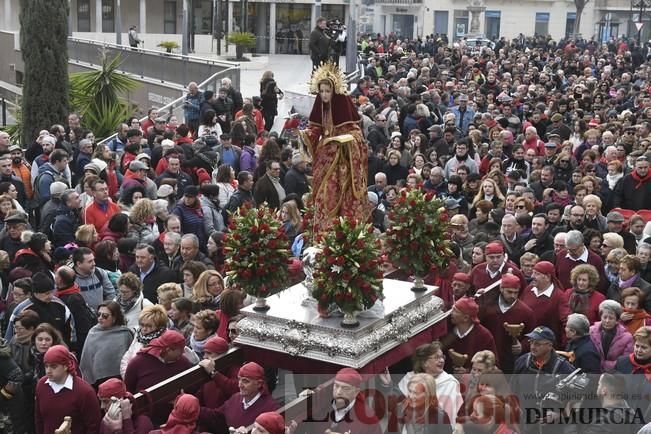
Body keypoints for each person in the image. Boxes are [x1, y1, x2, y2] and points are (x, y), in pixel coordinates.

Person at [297, 62, 370, 234]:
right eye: (321, 91)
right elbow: (315, 129)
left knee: (343, 194)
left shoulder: (343, 107)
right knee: (324, 194)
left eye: (327, 91)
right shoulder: (320, 108)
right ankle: (323, 231)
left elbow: (357, 134)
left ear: (334, 91)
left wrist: (345, 141)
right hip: (325, 157)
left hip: (344, 161)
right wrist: (304, 135)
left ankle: (345, 230)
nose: (324, 95)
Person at [34, 345, 102, 434]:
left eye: (53, 367)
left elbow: (93, 426)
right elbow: (39, 420)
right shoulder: (42, 385)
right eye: (46, 366)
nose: (48, 371)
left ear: (65, 366)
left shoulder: (84, 391)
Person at [198, 362, 280, 433]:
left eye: (245, 381)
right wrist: (193, 408)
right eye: (239, 380)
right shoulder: (235, 398)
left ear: (259, 384)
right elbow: (216, 417)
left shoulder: (272, 408)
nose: (240, 385)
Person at [479, 274, 535, 373]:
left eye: (516, 293)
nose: (512, 296)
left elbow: (531, 335)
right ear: (501, 288)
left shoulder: (526, 312)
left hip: (510, 362)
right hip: (487, 359)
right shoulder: (487, 307)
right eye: (509, 292)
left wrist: (522, 346)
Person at [79, 301, 134, 387]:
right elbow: (87, 361)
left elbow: (130, 360)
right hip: (98, 382)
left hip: (119, 380)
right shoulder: (93, 332)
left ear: (114, 318)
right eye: (99, 314)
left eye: (105, 316)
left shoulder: (125, 334)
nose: (100, 318)